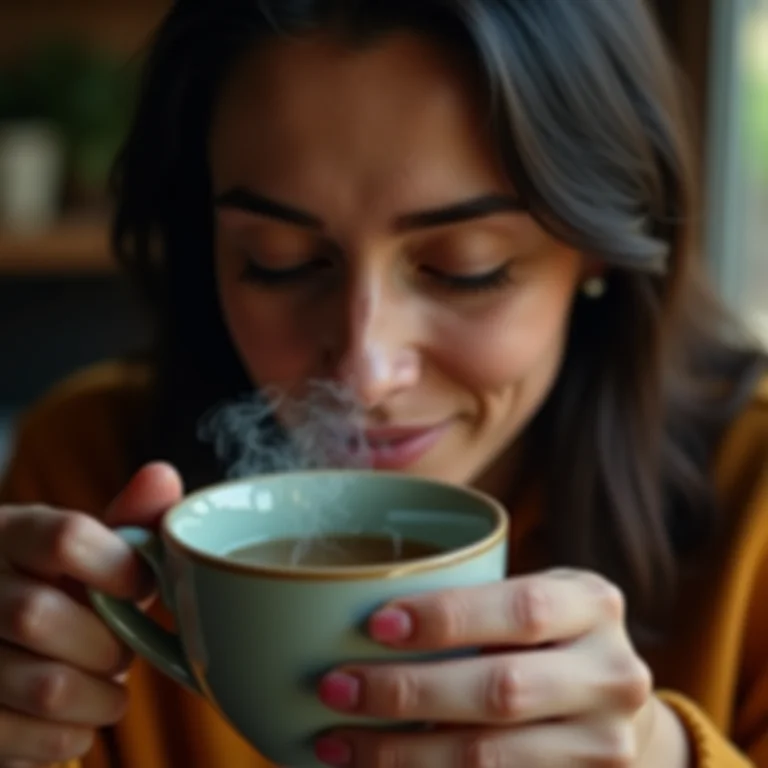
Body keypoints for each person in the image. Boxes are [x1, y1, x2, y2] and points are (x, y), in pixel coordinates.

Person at [0, 0, 766, 766]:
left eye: (467, 268)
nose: (364, 374)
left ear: (599, 242)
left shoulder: (753, 504)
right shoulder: (86, 477)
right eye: (280, 260)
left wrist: (666, 754)